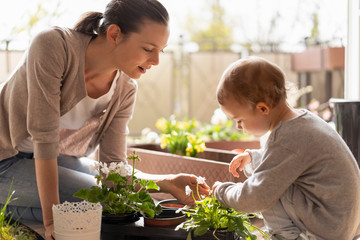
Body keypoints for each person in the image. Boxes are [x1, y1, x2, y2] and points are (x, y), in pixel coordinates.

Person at [0, 0, 209, 239]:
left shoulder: (125, 88)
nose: (156, 61)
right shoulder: (53, 45)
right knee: (100, 198)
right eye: (148, 49)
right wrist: (53, 222)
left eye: (160, 51)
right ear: (114, 34)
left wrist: (166, 182)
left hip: (52, 158)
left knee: (114, 198)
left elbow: (114, 169)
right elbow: (44, 138)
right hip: (4, 158)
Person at [213, 56, 360, 240]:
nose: (239, 128)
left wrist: (222, 191)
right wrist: (253, 157)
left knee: (267, 187)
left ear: (263, 109)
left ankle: (284, 237)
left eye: (239, 120)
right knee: (269, 175)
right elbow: (286, 159)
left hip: (327, 229)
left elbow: (256, 198)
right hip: (341, 223)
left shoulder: (288, 137)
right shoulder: (302, 121)